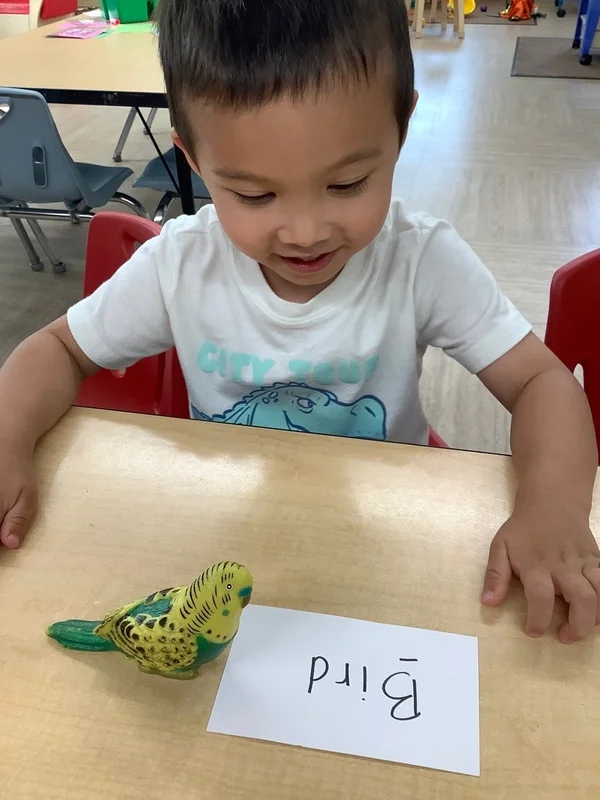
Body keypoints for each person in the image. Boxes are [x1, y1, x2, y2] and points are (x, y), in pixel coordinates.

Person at [0, 0, 597, 643]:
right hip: (234, 541)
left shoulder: (420, 259)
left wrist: (553, 505)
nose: (306, 232)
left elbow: (543, 382)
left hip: (384, 537)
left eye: (347, 184)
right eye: (255, 195)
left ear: (401, 130)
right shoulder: (182, 263)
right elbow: (59, 348)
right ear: (194, 162)